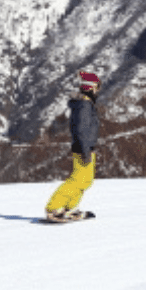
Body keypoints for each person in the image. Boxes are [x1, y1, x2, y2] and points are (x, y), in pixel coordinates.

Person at [45, 70, 101, 222]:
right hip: (83, 148)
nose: (98, 90)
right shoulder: (84, 105)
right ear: (90, 88)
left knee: (85, 181)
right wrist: (85, 150)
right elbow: (81, 129)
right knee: (77, 180)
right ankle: (54, 208)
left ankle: (70, 208)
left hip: (86, 146)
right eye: (97, 87)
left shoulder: (85, 104)